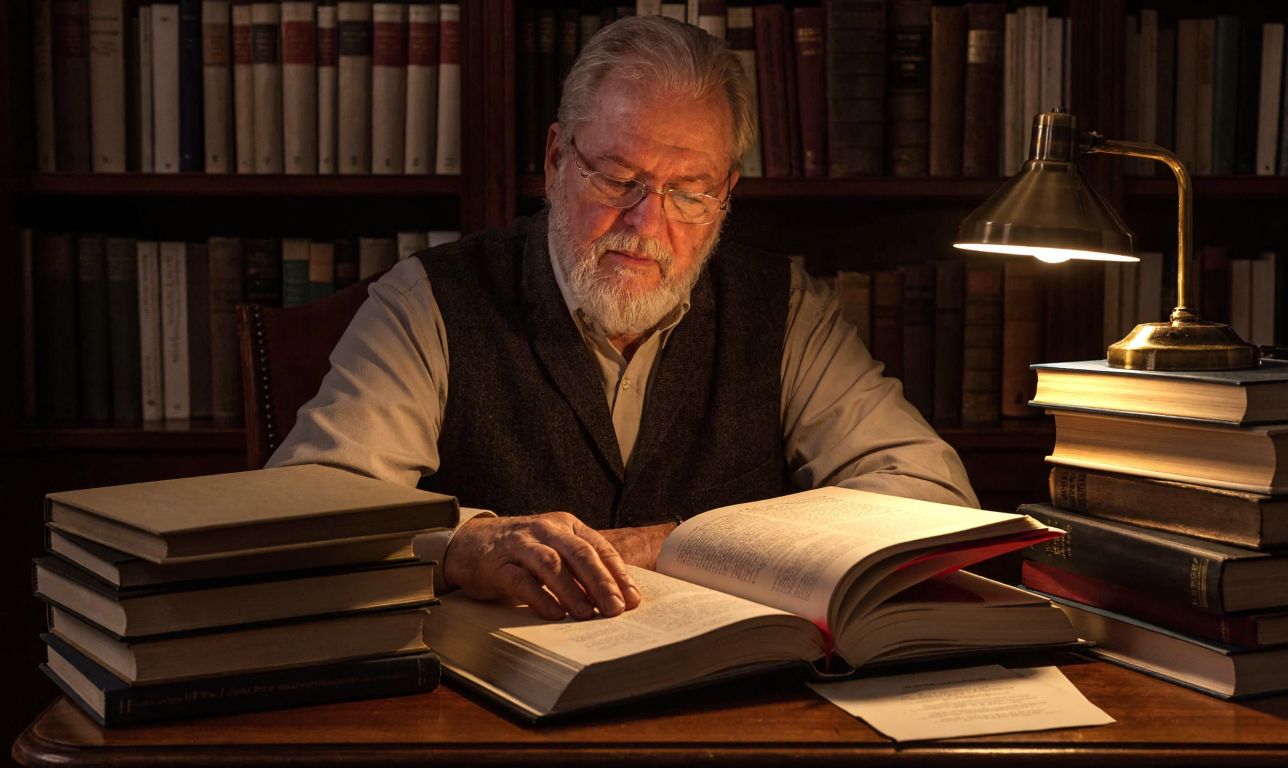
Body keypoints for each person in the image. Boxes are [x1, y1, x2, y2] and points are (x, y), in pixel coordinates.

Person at [268, 15, 977, 623]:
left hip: (729, 701)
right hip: (488, 711)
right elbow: (307, 518)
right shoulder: (428, 301)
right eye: (616, 178)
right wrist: (462, 547)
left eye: (689, 191)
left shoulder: (784, 308)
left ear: (727, 194)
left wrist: (684, 543)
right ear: (554, 161)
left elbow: (933, 499)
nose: (646, 223)